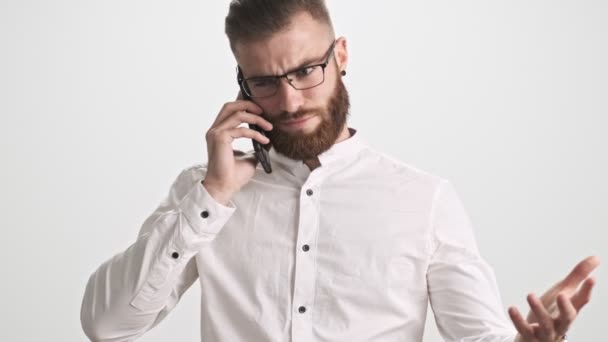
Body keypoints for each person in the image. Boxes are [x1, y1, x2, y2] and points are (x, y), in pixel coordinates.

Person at [80, 1, 599, 341]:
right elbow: (106, 325)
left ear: (341, 55)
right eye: (263, 81)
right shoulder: (204, 197)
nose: (289, 100)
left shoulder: (424, 201)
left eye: (307, 70)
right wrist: (212, 195)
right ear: (239, 82)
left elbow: (478, 335)